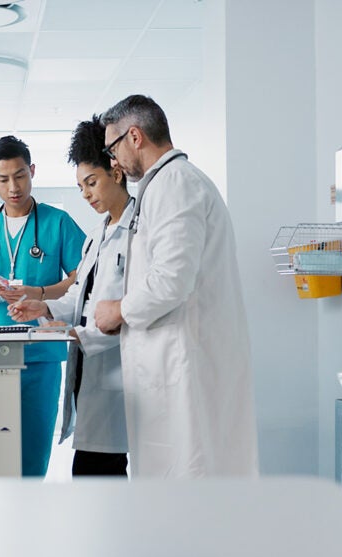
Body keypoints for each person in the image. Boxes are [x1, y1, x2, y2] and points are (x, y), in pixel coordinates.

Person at [94, 94, 258, 479]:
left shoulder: (176, 185)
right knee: (179, 474)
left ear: (134, 136)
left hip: (186, 362)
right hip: (172, 362)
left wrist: (118, 309)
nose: (113, 162)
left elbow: (172, 279)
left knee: (191, 473)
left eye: (112, 149)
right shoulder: (164, 186)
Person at [0, 135, 86, 477]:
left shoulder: (58, 223)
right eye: (3, 179)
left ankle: (28, 521)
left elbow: (81, 280)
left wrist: (38, 291)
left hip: (40, 353)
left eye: (20, 175)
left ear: (32, 171)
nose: (13, 186)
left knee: (32, 448)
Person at [9, 117, 134, 477]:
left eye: (91, 183)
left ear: (116, 170)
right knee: (95, 477)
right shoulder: (99, 234)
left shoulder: (137, 231)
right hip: (92, 377)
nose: (87, 194)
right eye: (81, 187)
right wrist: (45, 306)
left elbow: (133, 308)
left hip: (119, 377)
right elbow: (83, 293)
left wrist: (76, 333)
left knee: (98, 479)